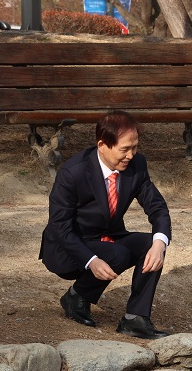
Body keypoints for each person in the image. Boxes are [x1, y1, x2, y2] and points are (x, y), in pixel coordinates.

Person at [39, 110, 171, 339]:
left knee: (151, 242)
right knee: (117, 253)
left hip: (108, 237)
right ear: (102, 145)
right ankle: (77, 297)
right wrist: (91, 261)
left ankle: (135, 319)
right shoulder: (73, 172)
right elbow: (60, 226)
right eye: (125, 149)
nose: (131, 155)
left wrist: (160, 243)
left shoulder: (137, 165)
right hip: (67, 247)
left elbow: (157, 207)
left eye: (135, 147)